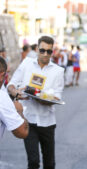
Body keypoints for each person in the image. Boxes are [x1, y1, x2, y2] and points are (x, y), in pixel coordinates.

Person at [7, 36, 64, 169]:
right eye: (42, 50)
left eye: (49, 51)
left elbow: (57, 97)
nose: (45, 54)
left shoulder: (58, 71)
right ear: (37, 49)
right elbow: (11, 85)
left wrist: (45, 99)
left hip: (47, 122)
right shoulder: (27, 63)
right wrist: (17, 93)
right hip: (28, 120)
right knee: (33, 161)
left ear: (52, 52)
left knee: (49, 163)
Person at [0, 57, 29, 140]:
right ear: (2, 75)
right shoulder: (2, 98)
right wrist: (19, 111)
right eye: (6, 75)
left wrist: (13, 93)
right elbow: (22, 132)